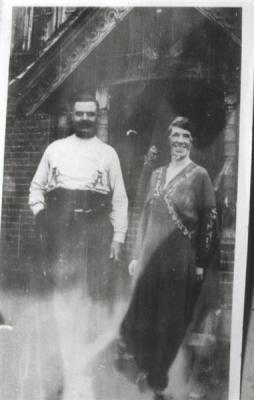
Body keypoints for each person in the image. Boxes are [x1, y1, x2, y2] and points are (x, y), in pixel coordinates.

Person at [116, 116, 219, 399]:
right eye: (175, 135)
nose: (180, 141)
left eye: (186, 136)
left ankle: (159, 379)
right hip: (150, 255)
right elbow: (145, 216)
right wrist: (137, 253)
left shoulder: (200, 175)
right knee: (146, 315)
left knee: (169, 321)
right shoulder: (156, 174)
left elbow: (209, 221)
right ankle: (147, 370)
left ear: (192, 142)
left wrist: (200, 261)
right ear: (169, 138)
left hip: (179, 258)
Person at [29, 94, 128, 302]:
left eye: (90, 114)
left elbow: (119, 199)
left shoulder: (108, 153)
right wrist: (41, 214)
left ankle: (88, 333)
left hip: (96, 230)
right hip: (59, 228)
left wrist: (118, 238)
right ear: (72, 115)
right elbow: (36, 187)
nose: (85, 118)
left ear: (98, 116)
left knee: (93, 290)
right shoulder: (55, 149)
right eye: (80, 113)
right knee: (58, 287)